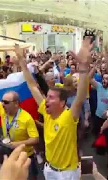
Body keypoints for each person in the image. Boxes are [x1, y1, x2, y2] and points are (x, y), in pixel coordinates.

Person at [16, 37, 93, 179]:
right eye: (47, 96)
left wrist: (83, 68)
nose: (46, 100)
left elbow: (80, 96)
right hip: (49, 169)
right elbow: (32, 85)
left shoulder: (69, 116)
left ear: (62, 103)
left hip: (67, 173)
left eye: (51, 97)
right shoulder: (46, 112)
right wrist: (22, 62)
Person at [0, 69, 39, 180]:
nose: (2, 104)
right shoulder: (2, 110)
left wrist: (18, 144)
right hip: (8, 153)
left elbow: (35, 139)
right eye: (2, 101)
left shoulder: (26, 118)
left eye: (6, 102)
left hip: (25, 156)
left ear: (16, 103)